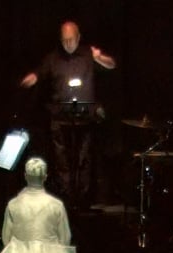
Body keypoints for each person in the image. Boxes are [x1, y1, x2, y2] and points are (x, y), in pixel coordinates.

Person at [19, 21, 116, 204]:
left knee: (83, 159)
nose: (68, 44)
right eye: (65, 40)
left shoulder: (88, 54)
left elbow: (111, 65)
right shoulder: (53, 58)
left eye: (71, 39)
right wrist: (33, 77)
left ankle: (82, 198)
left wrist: (99, 57)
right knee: (62, 160)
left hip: (85, 117)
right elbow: (40, 72)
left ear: (78, 38)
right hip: (60, 118)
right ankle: (66, 197)